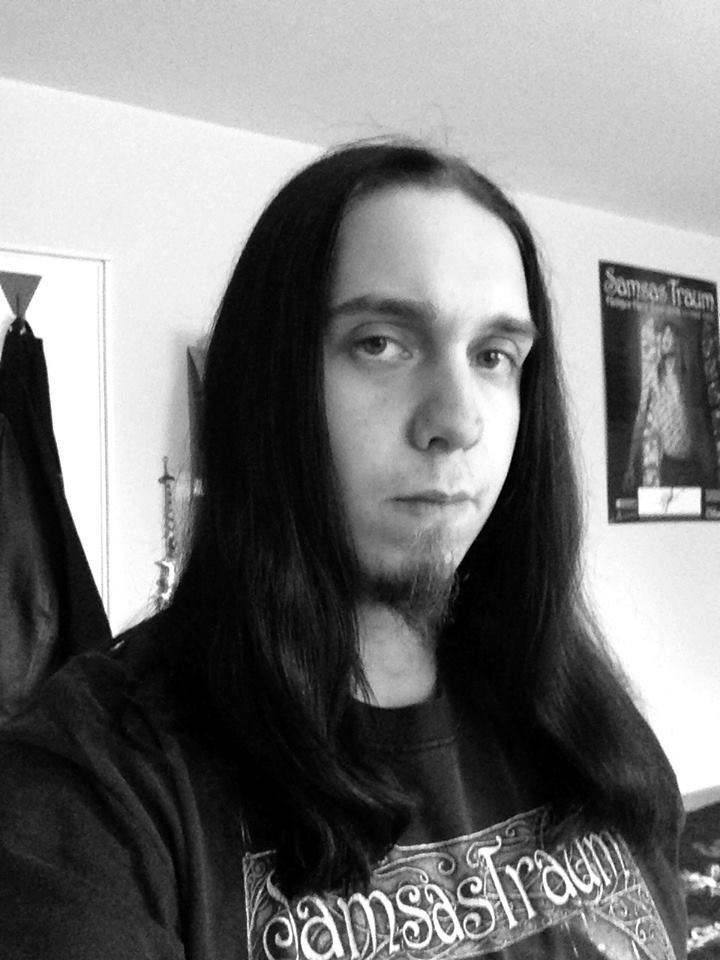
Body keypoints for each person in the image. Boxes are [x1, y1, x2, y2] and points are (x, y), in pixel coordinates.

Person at [0, 140, 687, 959]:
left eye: (493, 356)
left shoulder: (582, 726)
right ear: (268, 382)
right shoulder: (97, 790)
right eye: (381, 343)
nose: (458, 420)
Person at [624, 317, 717, 492]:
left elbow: (702, 418)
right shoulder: (653, 377)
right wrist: (630, 463)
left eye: (670, 334)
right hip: (670, 463)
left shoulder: (688, 376)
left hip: (693, 462)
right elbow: (640, 418)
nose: (666, 339)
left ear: (677, 341)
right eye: (663, 335)